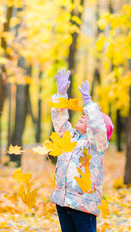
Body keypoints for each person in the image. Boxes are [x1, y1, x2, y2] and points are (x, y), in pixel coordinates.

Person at [50, 68, 114, 232]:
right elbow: (60, 119)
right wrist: (60, 95)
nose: (83, 116)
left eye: (88, 117)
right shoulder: (68, 137)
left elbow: (98, 129)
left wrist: (90, 105)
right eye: (84, 114)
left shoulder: (96, 146)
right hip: (63, 203)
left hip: (83, 206)